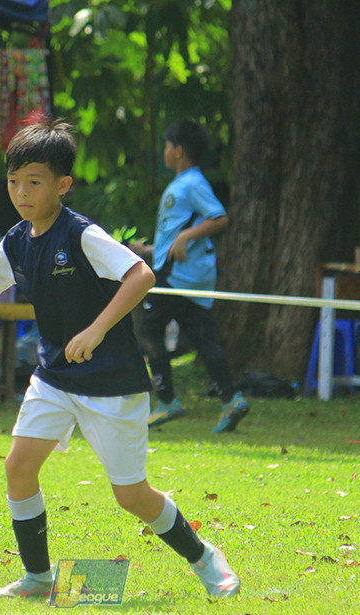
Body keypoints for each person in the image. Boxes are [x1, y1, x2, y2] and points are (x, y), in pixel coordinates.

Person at [0, 118, 240, 600]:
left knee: (131, 496)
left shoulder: (82, 234)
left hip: (114, 383)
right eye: (14, 181)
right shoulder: (16, 241)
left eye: (34, 182)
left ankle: (204, 557)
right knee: (18, 466)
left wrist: (97, 329)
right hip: (54, 377)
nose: (21, 191)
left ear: (62, 185)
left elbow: (141, 276)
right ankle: (38, 578)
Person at [131, 119, 249, 434]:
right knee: (202, 336)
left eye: (168, 146)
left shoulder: (192, 183)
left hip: (179, 275)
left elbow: (220, 218)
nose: (165, 151)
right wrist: (151, 249)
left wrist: (185, 239)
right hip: (188, 273)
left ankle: (167, 400)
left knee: (149, 331)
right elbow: (179, 232)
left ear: (179, 151)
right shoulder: (184, 184)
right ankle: (231, 399)